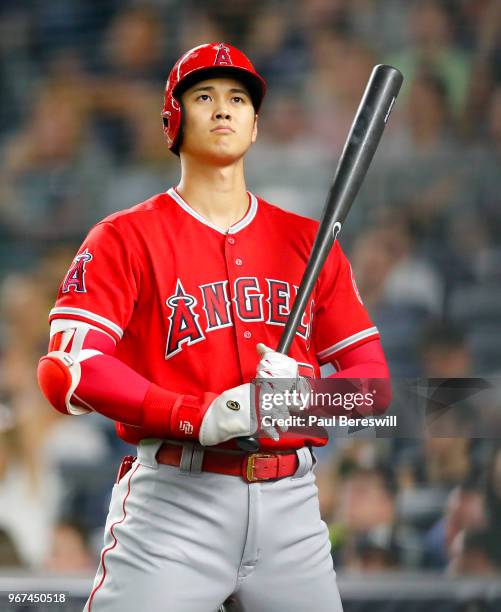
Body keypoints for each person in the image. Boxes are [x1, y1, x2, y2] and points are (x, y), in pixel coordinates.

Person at [37, 42, 391, 612]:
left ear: (255, 125)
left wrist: (306, 399)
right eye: (204, 96)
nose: (224, 108)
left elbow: (374, 390)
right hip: (177, 503)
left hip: (292, 507)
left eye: (237, 98)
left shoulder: (309, 242)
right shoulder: (124, 237)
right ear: (172, 122)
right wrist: (201, 414)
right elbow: (68, 372)